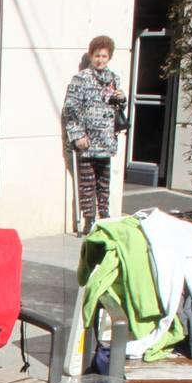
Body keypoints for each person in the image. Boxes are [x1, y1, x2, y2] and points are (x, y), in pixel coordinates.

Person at [64, 35, 127, 234]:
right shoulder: (81, 79)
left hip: (106, 140)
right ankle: (89, 220)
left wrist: (122, 98)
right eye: (97, 55)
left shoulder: (113, 79)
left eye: (104, 56)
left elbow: (117, 108)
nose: (100, 60)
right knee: (87, 183)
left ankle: (104, 217)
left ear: (109, 57)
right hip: (87, 141)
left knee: (104, 183)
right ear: (91, 55)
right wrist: (77, 135)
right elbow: (70, 108)